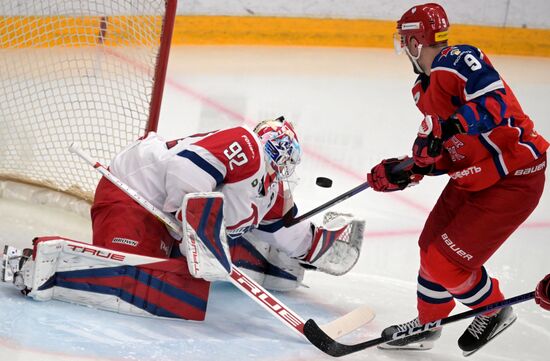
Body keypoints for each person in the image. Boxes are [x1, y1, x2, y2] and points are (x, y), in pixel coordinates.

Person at [2, 117, 363, 321]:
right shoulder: (246, 144)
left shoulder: (269, 192)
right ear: (280, 158)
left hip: (171, 222)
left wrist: (317, 247)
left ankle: (249, 262)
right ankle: (37, 266)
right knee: (151, 283)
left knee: (186, 292)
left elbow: (286, 232)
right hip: (133, 194)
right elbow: (185, 167)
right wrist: (196, 227)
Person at [366, 3, 548, 356]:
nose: (404, 50)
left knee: (445, 261)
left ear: (417, 41)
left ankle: (494, 309)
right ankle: (427, 324)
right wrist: (412, 168)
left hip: (514, 176)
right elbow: (451, 150)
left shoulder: (460, 59)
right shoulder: (423, 90)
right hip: (474, 177)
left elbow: (497, 105)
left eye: (406, 42)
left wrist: (452, 125)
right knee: (428, 247)